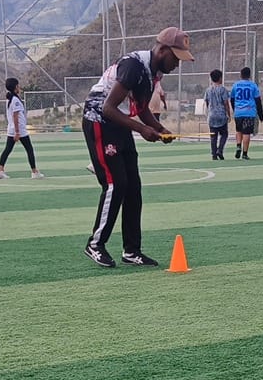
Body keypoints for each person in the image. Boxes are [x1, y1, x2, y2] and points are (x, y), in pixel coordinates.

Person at [81, 26, 192, 267]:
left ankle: (132, 251)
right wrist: (142, 129)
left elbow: (141, 108)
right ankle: (95, 244)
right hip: (99, 120)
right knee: (115, 184)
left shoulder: (154, 73)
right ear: (162, 50)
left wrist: (159, 128)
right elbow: (108, 108)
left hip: (119, 123)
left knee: (133, 187)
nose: (177, 64)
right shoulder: (134, 66)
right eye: (176, 58)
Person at [0, 77, 43, 179]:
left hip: (12, 129)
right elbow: (15, 116)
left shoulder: (10, 99)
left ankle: (0, 170)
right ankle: (34, 172)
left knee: (8, 149)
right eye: (18, 85)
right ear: (15, 87)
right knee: (29, 149)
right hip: (19, 130)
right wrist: (17, 132)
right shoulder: (15, 100)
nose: (19, 87)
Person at [229, 66, 263, 159]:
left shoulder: (236, 85)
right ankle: (244, 153)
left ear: (241, 75)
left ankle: (238, 146)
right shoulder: (253, 85)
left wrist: (235, 109)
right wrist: (261, 114)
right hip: (249, 112)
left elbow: (232, 99)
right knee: (246, 133)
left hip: (238, 112)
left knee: (238, 130)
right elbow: (258, 101)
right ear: (249, 75)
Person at [204, 70, 233, 161]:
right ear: (220, 78)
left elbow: (207, 102)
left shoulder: (208, 90)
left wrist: (209, 111)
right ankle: (220, 150)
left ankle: (214, 154)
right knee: (224, 134)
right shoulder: (223, 89)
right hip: (221, 115)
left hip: (212, 115)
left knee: (213, 136)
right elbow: (226, 103)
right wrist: (229, 114)